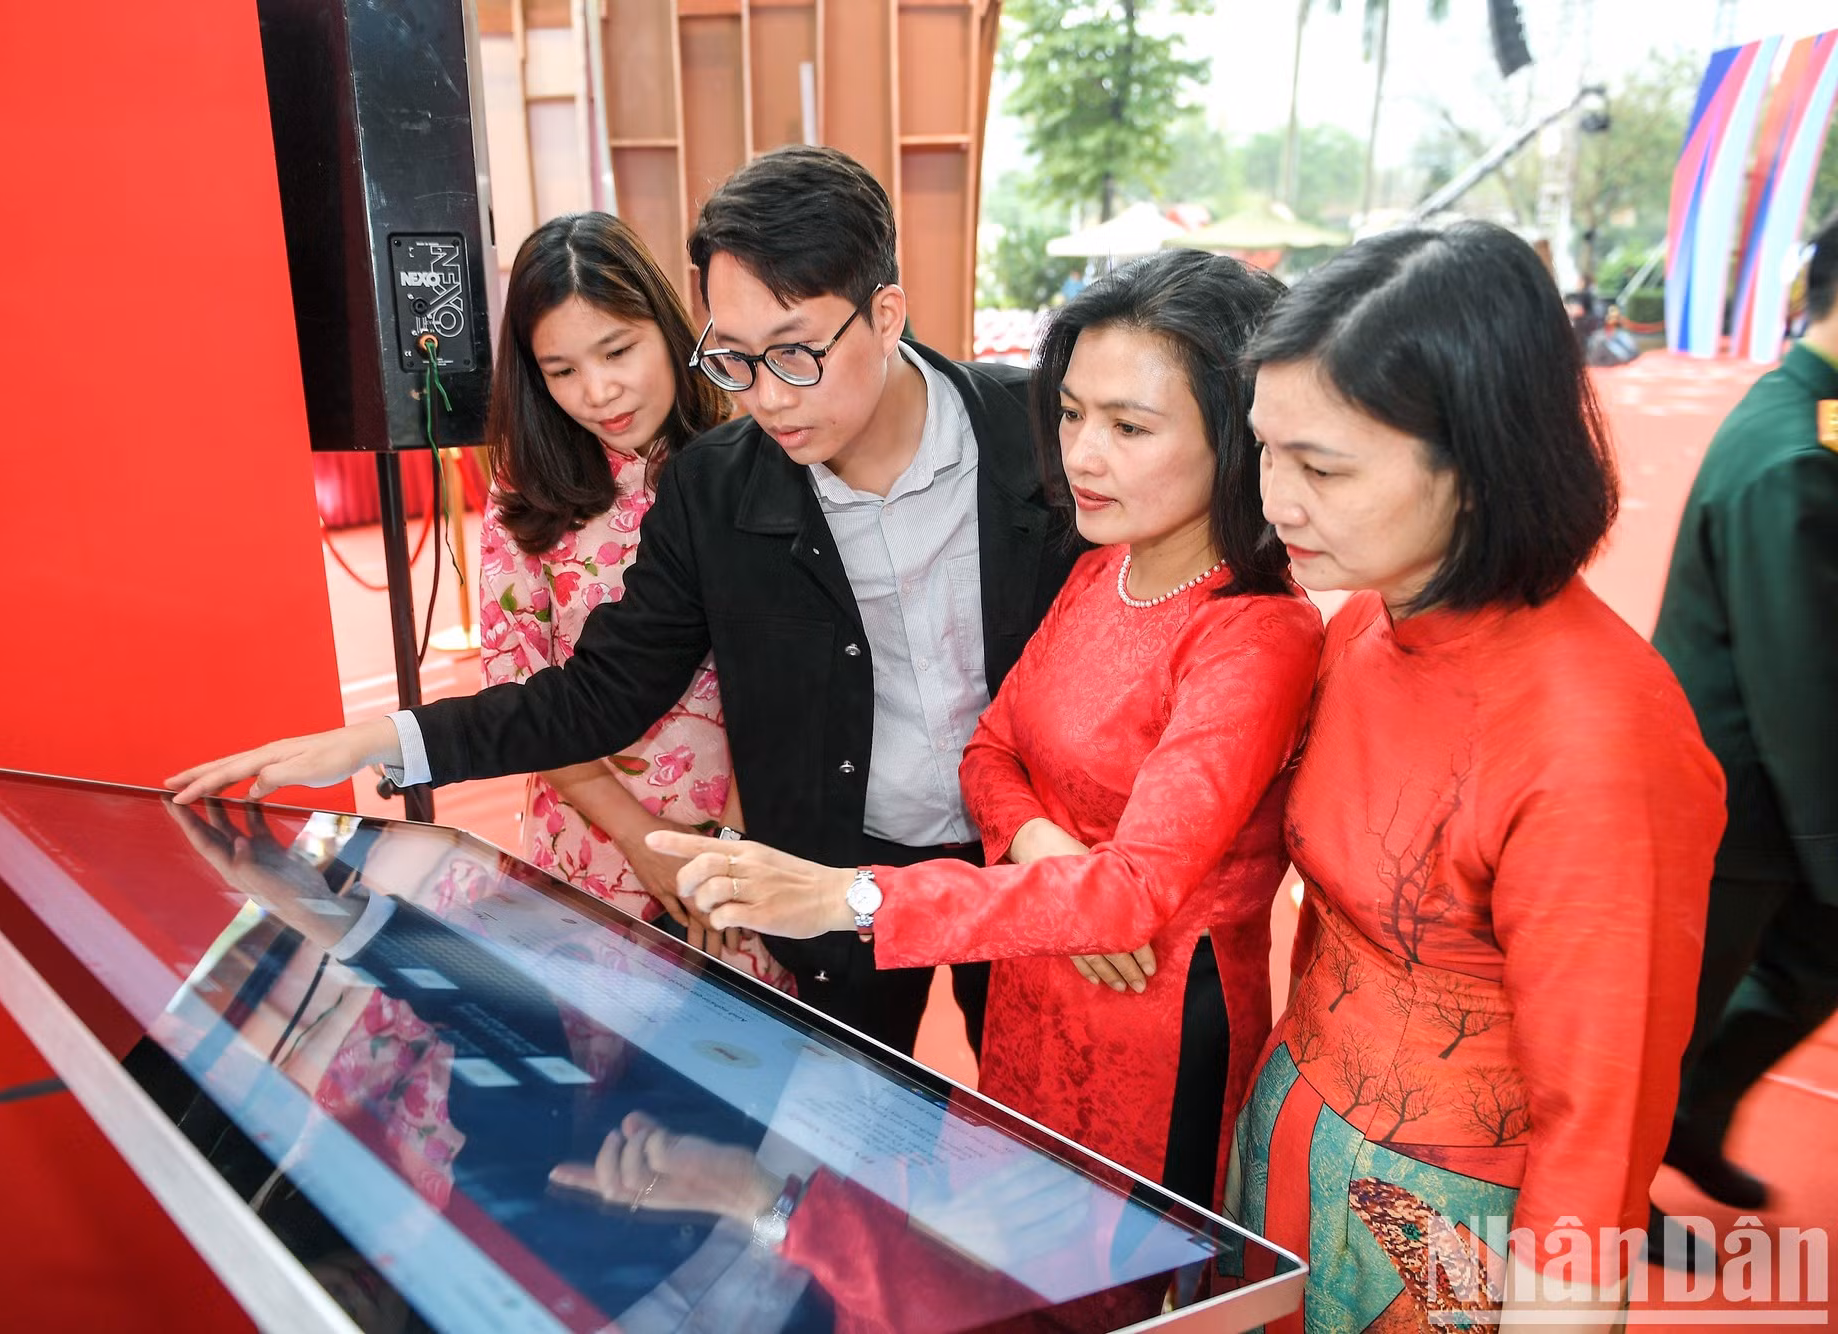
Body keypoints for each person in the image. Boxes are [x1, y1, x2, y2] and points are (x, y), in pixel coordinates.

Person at [169, 145, 1083, 1058]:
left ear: (885, 315)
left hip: (1030, 857)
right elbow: (598, 695)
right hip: (826, 873)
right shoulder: (718, 488)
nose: (767, 398)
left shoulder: (1040, 434)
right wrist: (379, 740)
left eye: (794, 353)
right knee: (850, 1110)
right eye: (735, 358)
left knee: (1035, 1110)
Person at [642, 249, 1325, 1206]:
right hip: (1032, 980)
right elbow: (989, 750)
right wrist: (1048, 847)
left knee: (1121, 1261)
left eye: (1129, 426)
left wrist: (849, 898)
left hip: (1154, 1013)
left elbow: (1132, 897)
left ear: (1238, 432)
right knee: (1010, 1229)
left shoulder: (1256, 633)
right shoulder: (1106, 568)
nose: (1082, 455)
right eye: (1073, 414)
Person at [1225, 221, 1724, 1330]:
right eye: (1266, 450)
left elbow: (1598, 1125)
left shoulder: (1598, 742)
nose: (1276, 500)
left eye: (1322, 467)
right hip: (1290, 1138)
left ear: (1479, 464)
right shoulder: (1365, 620)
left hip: (1451, 1227)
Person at [472, 212, 785, 987]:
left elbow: (787, 680)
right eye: (561, 370)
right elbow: (521, 694)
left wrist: (729, 846)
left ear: (669, 328)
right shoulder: (524, 497)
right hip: (593, 845)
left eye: (617, 351)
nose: (598, 391)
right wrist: (640, 840)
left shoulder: (754, 459)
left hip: (749, 852)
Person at [1648, 211, 1838, 1227]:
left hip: (1755, 784)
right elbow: (1798, 684)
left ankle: (1692, 1114)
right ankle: (1615, 1191)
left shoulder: (1810, 410)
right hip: (1740, 791)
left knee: (1795, 966)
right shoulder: (1791, 451)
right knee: (1661, 1023)